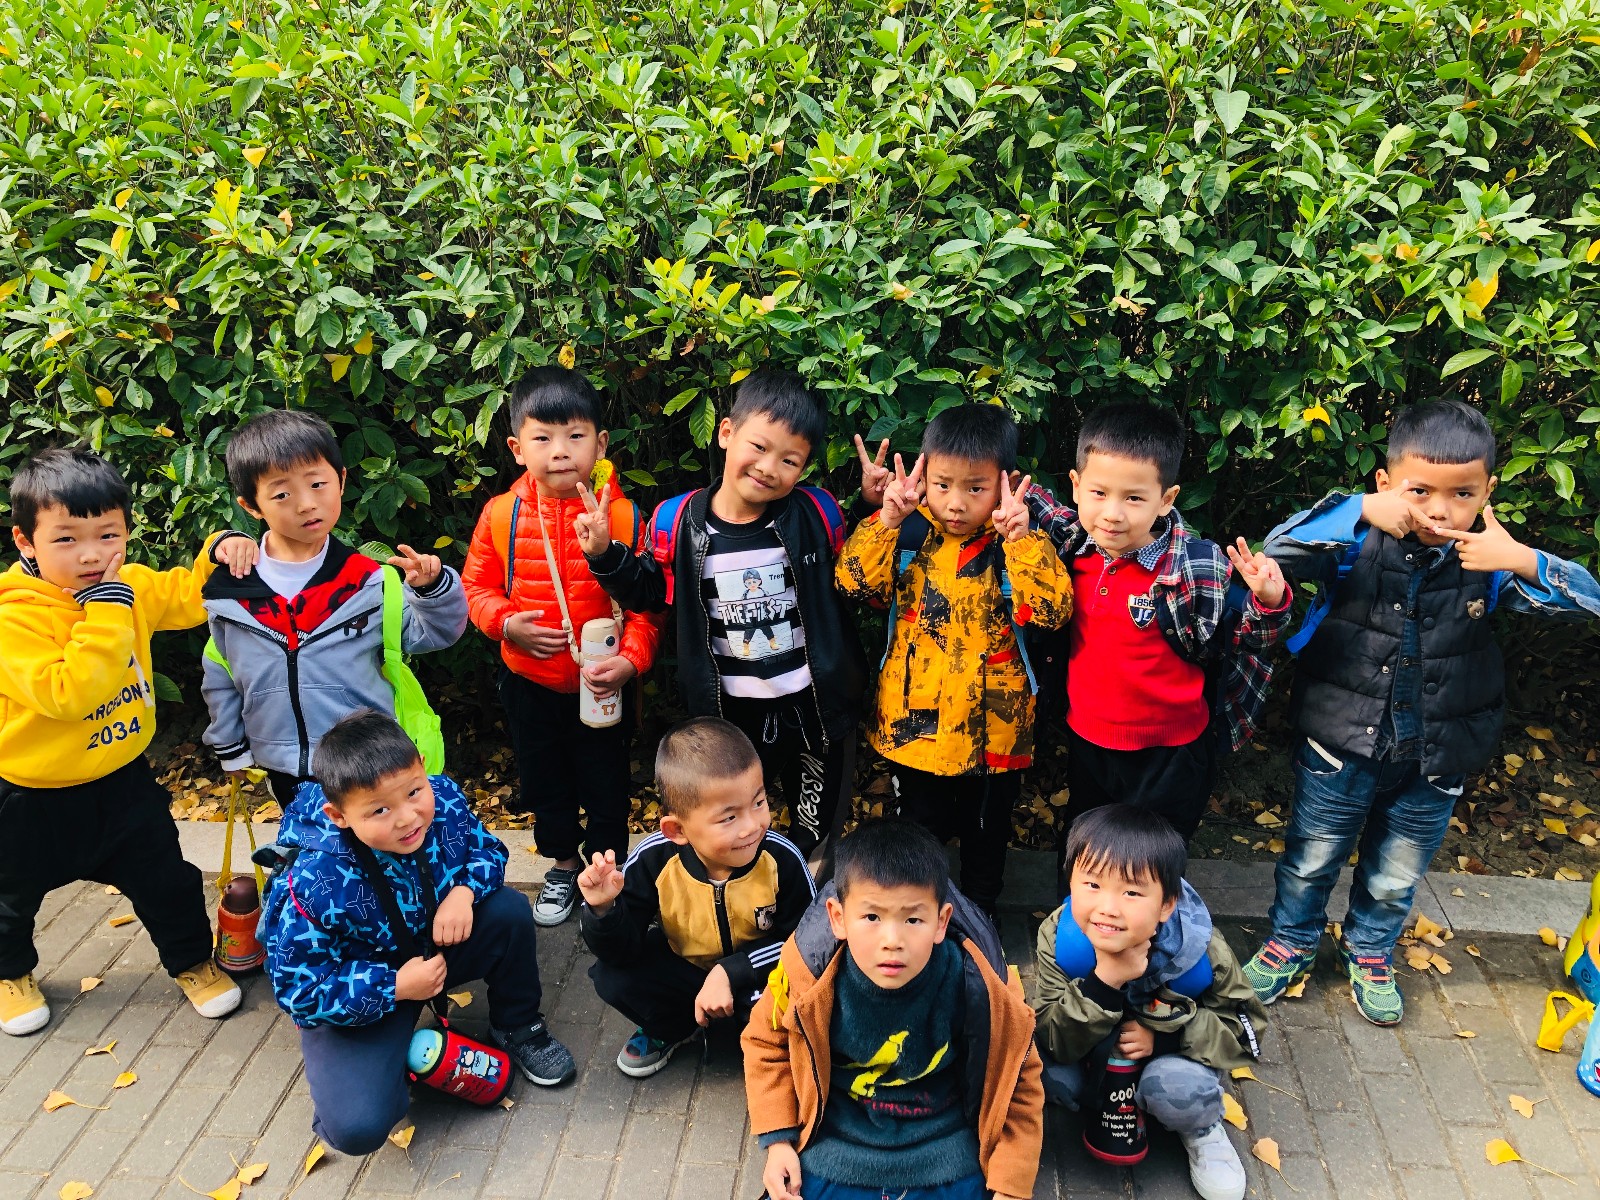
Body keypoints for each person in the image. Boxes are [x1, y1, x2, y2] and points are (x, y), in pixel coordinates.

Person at [1242, 400, 1600, 1025]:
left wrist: (1523, 559)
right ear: (1387, 484)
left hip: (1436, 756)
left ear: (1487, 492)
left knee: (1396, 872)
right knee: (1311, 858)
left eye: (1462, 494)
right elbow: (1278, 549)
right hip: (1339, 746)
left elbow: (1589, 600)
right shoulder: (1354, 541)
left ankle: (1369, 949)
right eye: (1419, 491)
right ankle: (1292, 940)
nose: (1440, 510)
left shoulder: (1488, 564)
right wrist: (1360, 509)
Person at [1, 446, 255, 1036]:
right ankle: (11, 975)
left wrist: (220, 549)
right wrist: (109, 612)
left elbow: (191, 597)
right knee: (9, 901)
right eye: (66, 539)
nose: (92, 555)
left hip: (122, 783)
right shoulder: (14, 618)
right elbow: (68, 693)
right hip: (30, 797)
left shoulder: (128, 584)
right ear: (25, 541)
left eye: (108, 535)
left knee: (168, 882)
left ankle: (192, 962)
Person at [575, 369, 867, 865]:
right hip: (730, 712)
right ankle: (742, 894)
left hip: (813, 706)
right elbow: (650, 593)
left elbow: (852, 572)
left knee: (815, 829)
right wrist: (605, 555)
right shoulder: (677, 521)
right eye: (759, 447)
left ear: (803, 469)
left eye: (789, 460)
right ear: (726, 432)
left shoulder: (816, 513)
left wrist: (872, 505)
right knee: (733, 820)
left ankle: (805, 893)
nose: (769, 467)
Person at [259, 709, 576, 1154]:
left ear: (422, 768)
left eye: (413, 792)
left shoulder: (442, 797)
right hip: (371, 984)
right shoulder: (312, 881)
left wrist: (464, 892)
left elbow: (488, 850)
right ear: (338, 815)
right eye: (380, 810)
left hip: (435, 949)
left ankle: (517, 1025)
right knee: (357, 1127)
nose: (408, 818)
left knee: (507, 911)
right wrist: (393, 987)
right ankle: (368, 1066)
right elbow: (299, 992)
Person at [835, 404, 1072, 921]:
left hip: (995, 729)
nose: (956, 503)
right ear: (923, 475)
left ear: (1005, 483)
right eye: (942, 485)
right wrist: (885, 520)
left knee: (987, 832)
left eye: (975, 488)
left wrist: (1021, 543)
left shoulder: (1018, 541)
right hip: (914, 726)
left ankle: (980, 920)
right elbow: (852, 584)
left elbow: (1052, 612)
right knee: (919, 832)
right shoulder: (908, 533)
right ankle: (918, 917)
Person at [1022, 401, 1293, 846]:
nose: (1112, 513)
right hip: (1089, 741)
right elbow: (1029, 500)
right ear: (1076, 486)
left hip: (1171, 752)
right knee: (1087, 851)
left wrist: (1269, 600)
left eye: (1134, 498)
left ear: (1166, 499)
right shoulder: (1076, 546)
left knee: (1155, 859)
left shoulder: (1196, 566)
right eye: (1099, 493)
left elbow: (1248, 639)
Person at [742, 817, 1043, 1200]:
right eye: (871, 917)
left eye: (913, 919)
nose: (892, 940)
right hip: (835, 1151)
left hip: (946, 1155)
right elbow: (766, 1044)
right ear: (838, 918)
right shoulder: (806, 978)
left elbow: (1020, 1077)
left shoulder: (981, 984)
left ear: (941, 922)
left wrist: (1011, 1183)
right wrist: (778, 1141)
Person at [461, 366, 661, 926]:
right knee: (543, 780)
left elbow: (648, 606)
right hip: (530, 681)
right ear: (517, 448)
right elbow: (475, 588)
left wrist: (630, 661)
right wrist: (506, 625)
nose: (560, 451)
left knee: (607, 782)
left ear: (601, 443)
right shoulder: (502, 514)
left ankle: (607, 871)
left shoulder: (622, 516)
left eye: (576, 436)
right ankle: (562, 865)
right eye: (542, 438)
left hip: (602, 686)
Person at [200, 410, 468, 803]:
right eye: (282, 494)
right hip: (283, 765)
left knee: (378, 841)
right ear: (251, 505)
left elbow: (435, 634)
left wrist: (432, 589)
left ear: (341, 481)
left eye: (317, 484)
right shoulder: (232, 594)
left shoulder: (367, 582)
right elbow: (221, 671)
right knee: (306, 842)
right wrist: (230, 746)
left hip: (368, 760)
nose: (307, 504)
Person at [1033, 805, 1264, 1200]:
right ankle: (1089, 1101)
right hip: (1090, 1049)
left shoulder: (1201, 951)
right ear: (1070, 881)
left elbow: (1247, 1034)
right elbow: (1049, 1035)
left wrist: (1166, 1037)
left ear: (1166, 903)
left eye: (1132, 892)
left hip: (1166, 1060)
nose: (1108, 908)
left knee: (1177, 1089)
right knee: (1036, 1066)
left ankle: (1201, 1127)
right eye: (1092, 885)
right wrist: (1104, 982)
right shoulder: (1060, 938)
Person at [578, 717, 814, 1077]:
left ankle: (761, 1040)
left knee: (785, 1008)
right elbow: (622, 950)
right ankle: (673, 1027)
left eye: (759, 802)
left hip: (757, 976)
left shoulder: (782, 858)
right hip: (686, 969)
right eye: (729, 818)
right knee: (612, 977)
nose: (753, 826)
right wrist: (604, 909)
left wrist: (732, 972)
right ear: (677, 830)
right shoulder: (654, 860)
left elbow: (807, 942)